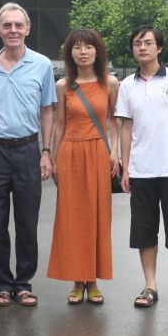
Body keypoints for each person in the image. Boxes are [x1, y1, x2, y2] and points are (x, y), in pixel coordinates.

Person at [0, 2, 56, 307]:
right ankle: (2, 284)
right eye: (6, 25)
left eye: (18, 25)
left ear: (28, 29)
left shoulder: (42, 64)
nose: (13, 31)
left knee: (26, 221)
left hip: (27, 150)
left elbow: (47, 110)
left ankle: (23, 283)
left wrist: (46, 151)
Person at [115, 25, 168, 309]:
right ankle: (150, 286)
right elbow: (125, 128)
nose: (142, 47)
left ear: (159, 48)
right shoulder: (127, 85)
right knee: (144, 231)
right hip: (141, 171)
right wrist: (125, 168)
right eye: (137, 43)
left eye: (148, 43)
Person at [47, 29, 119, 304]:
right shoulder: (64, 85)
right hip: (70, 152)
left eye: (89, 47)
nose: (83, 52)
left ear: (97, 51)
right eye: (77, 47)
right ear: (70, 53)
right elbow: (60, 124)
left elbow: (114, 121)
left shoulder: (110, 83)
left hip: (98, 152)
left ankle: (93, 279)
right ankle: (78, 280)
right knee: (72, 217)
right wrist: (54, 158)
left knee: (97, 215)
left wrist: (116, 154)